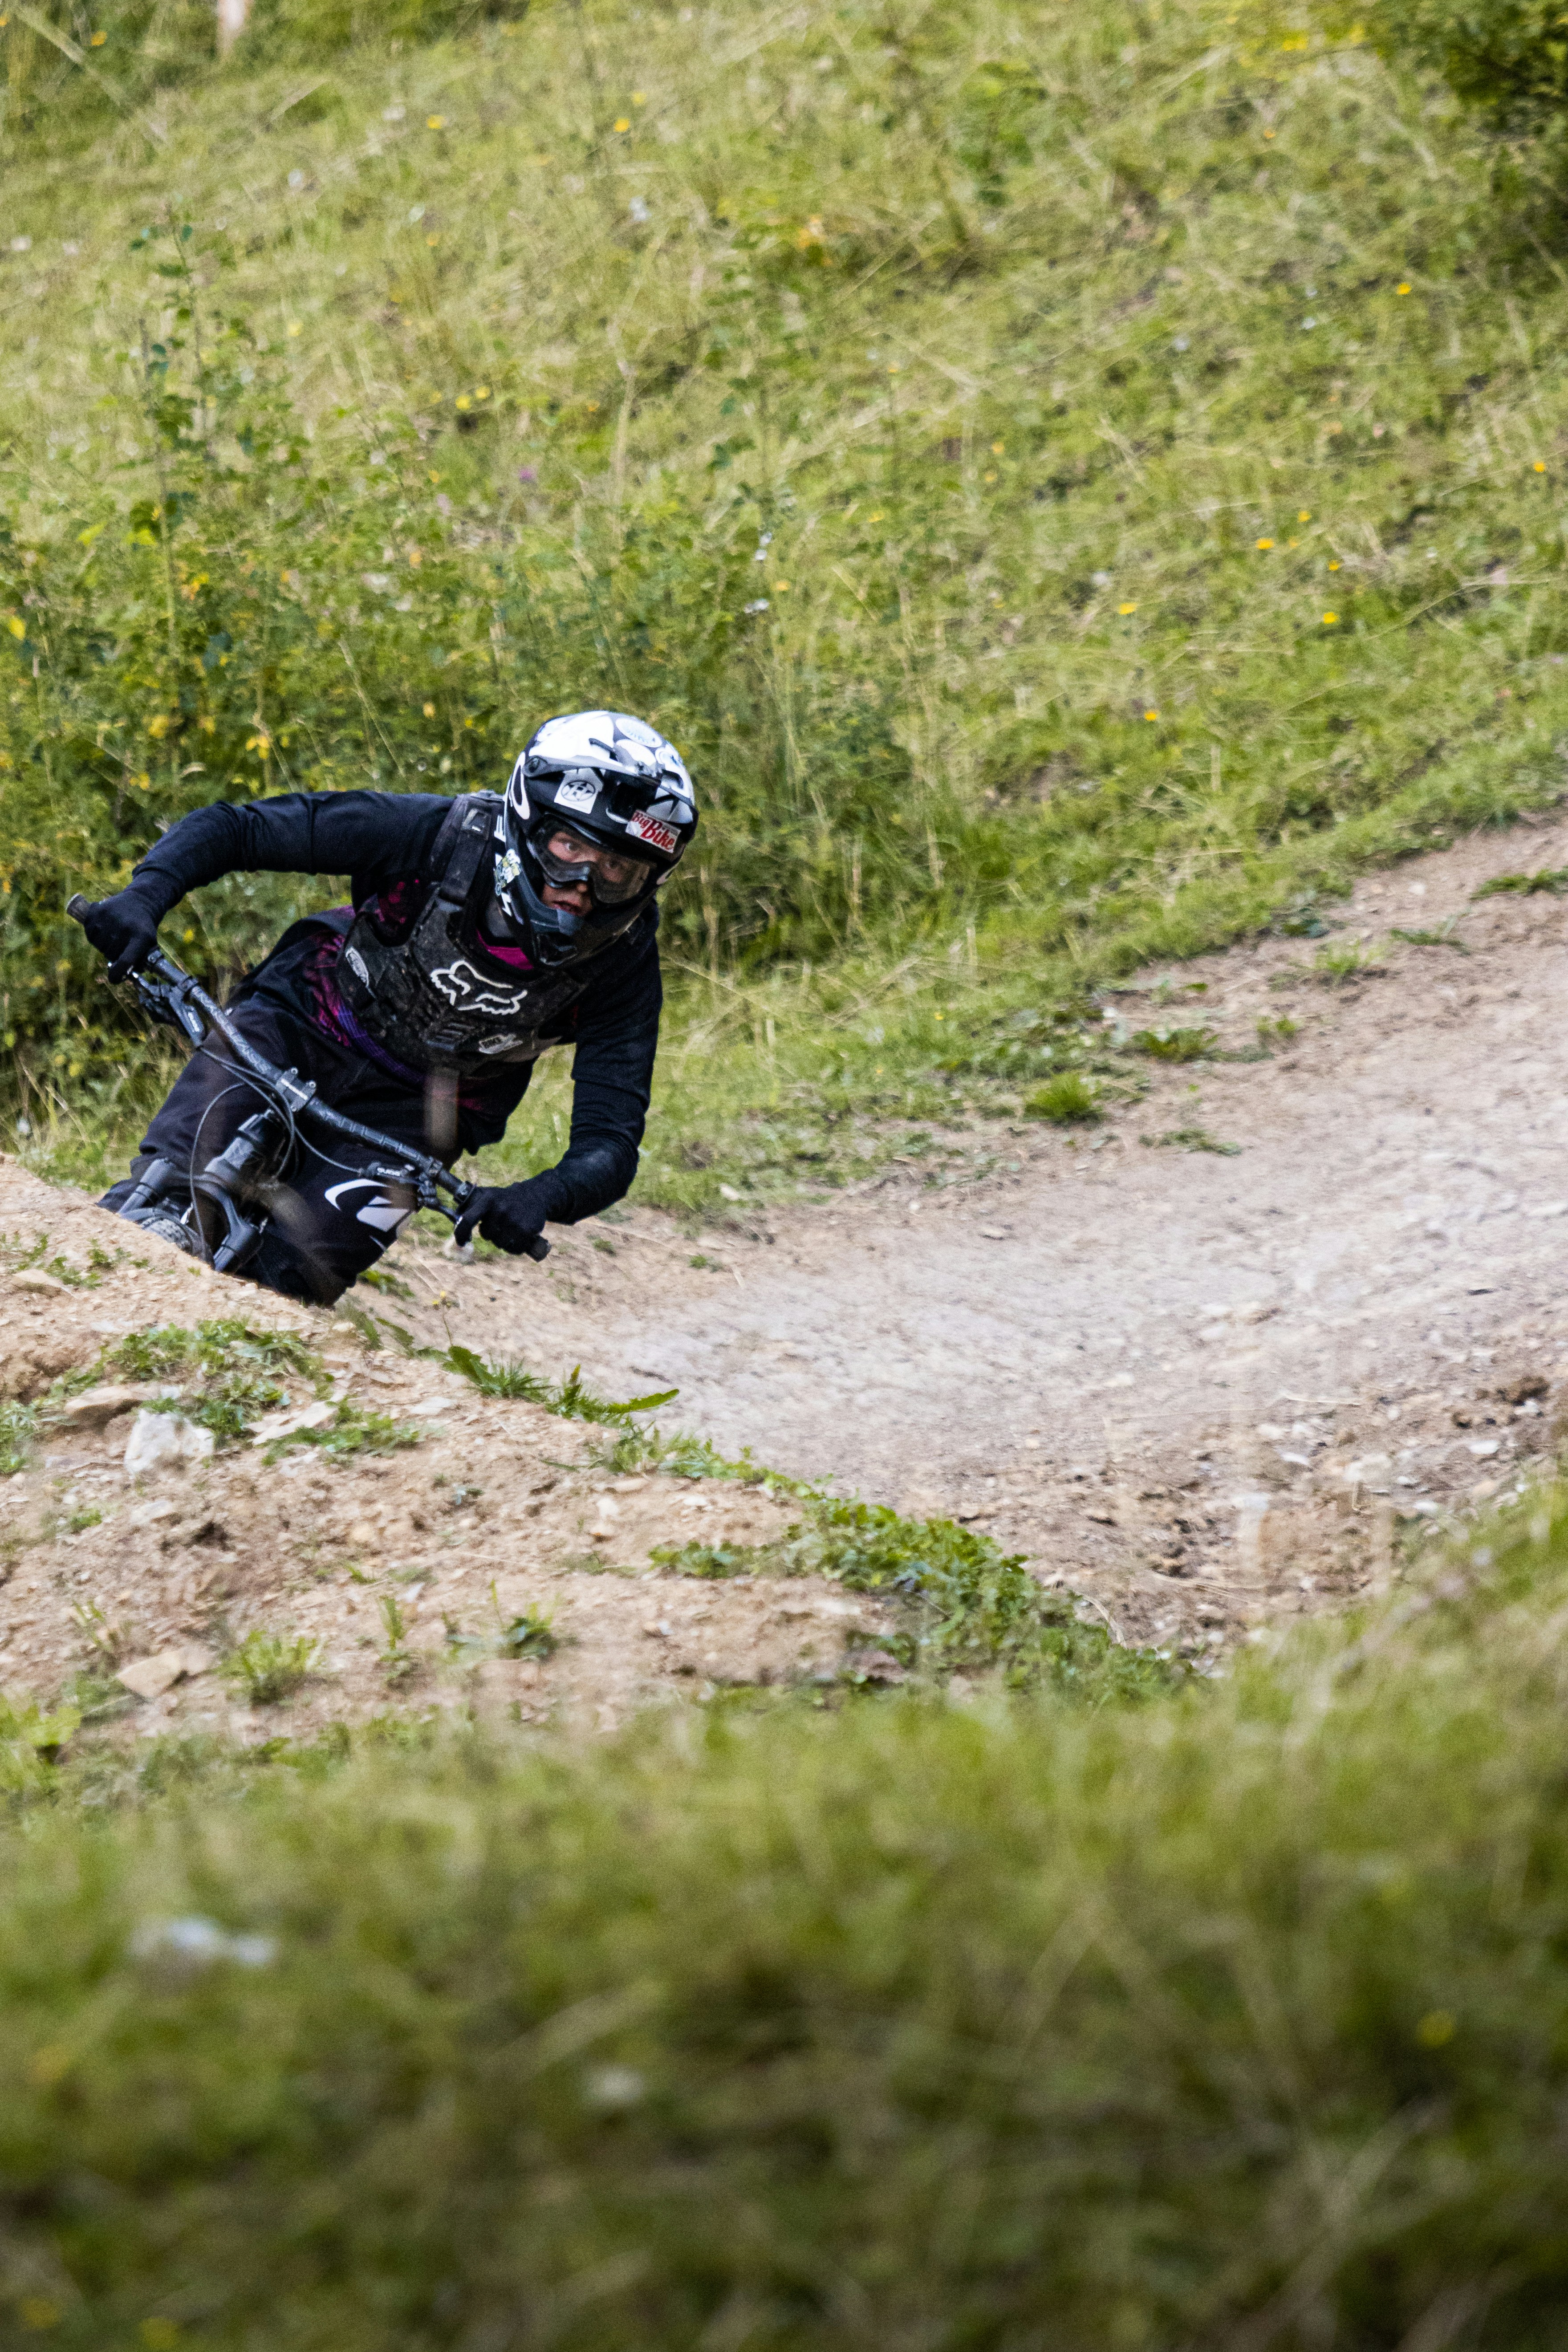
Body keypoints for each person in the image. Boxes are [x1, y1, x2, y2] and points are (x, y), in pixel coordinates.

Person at [78, 709, 697, 1305]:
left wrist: (544, 1194)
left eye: (617, 868)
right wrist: (145, 897)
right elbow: (239, 829)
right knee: (166, 1191)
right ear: (527, 824)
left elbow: (610, 1143)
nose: (583, 888)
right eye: (568, 847)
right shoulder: (436, 836)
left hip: (418, 1119)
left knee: (289, 1281)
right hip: (297, 1020)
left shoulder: (623, 964)